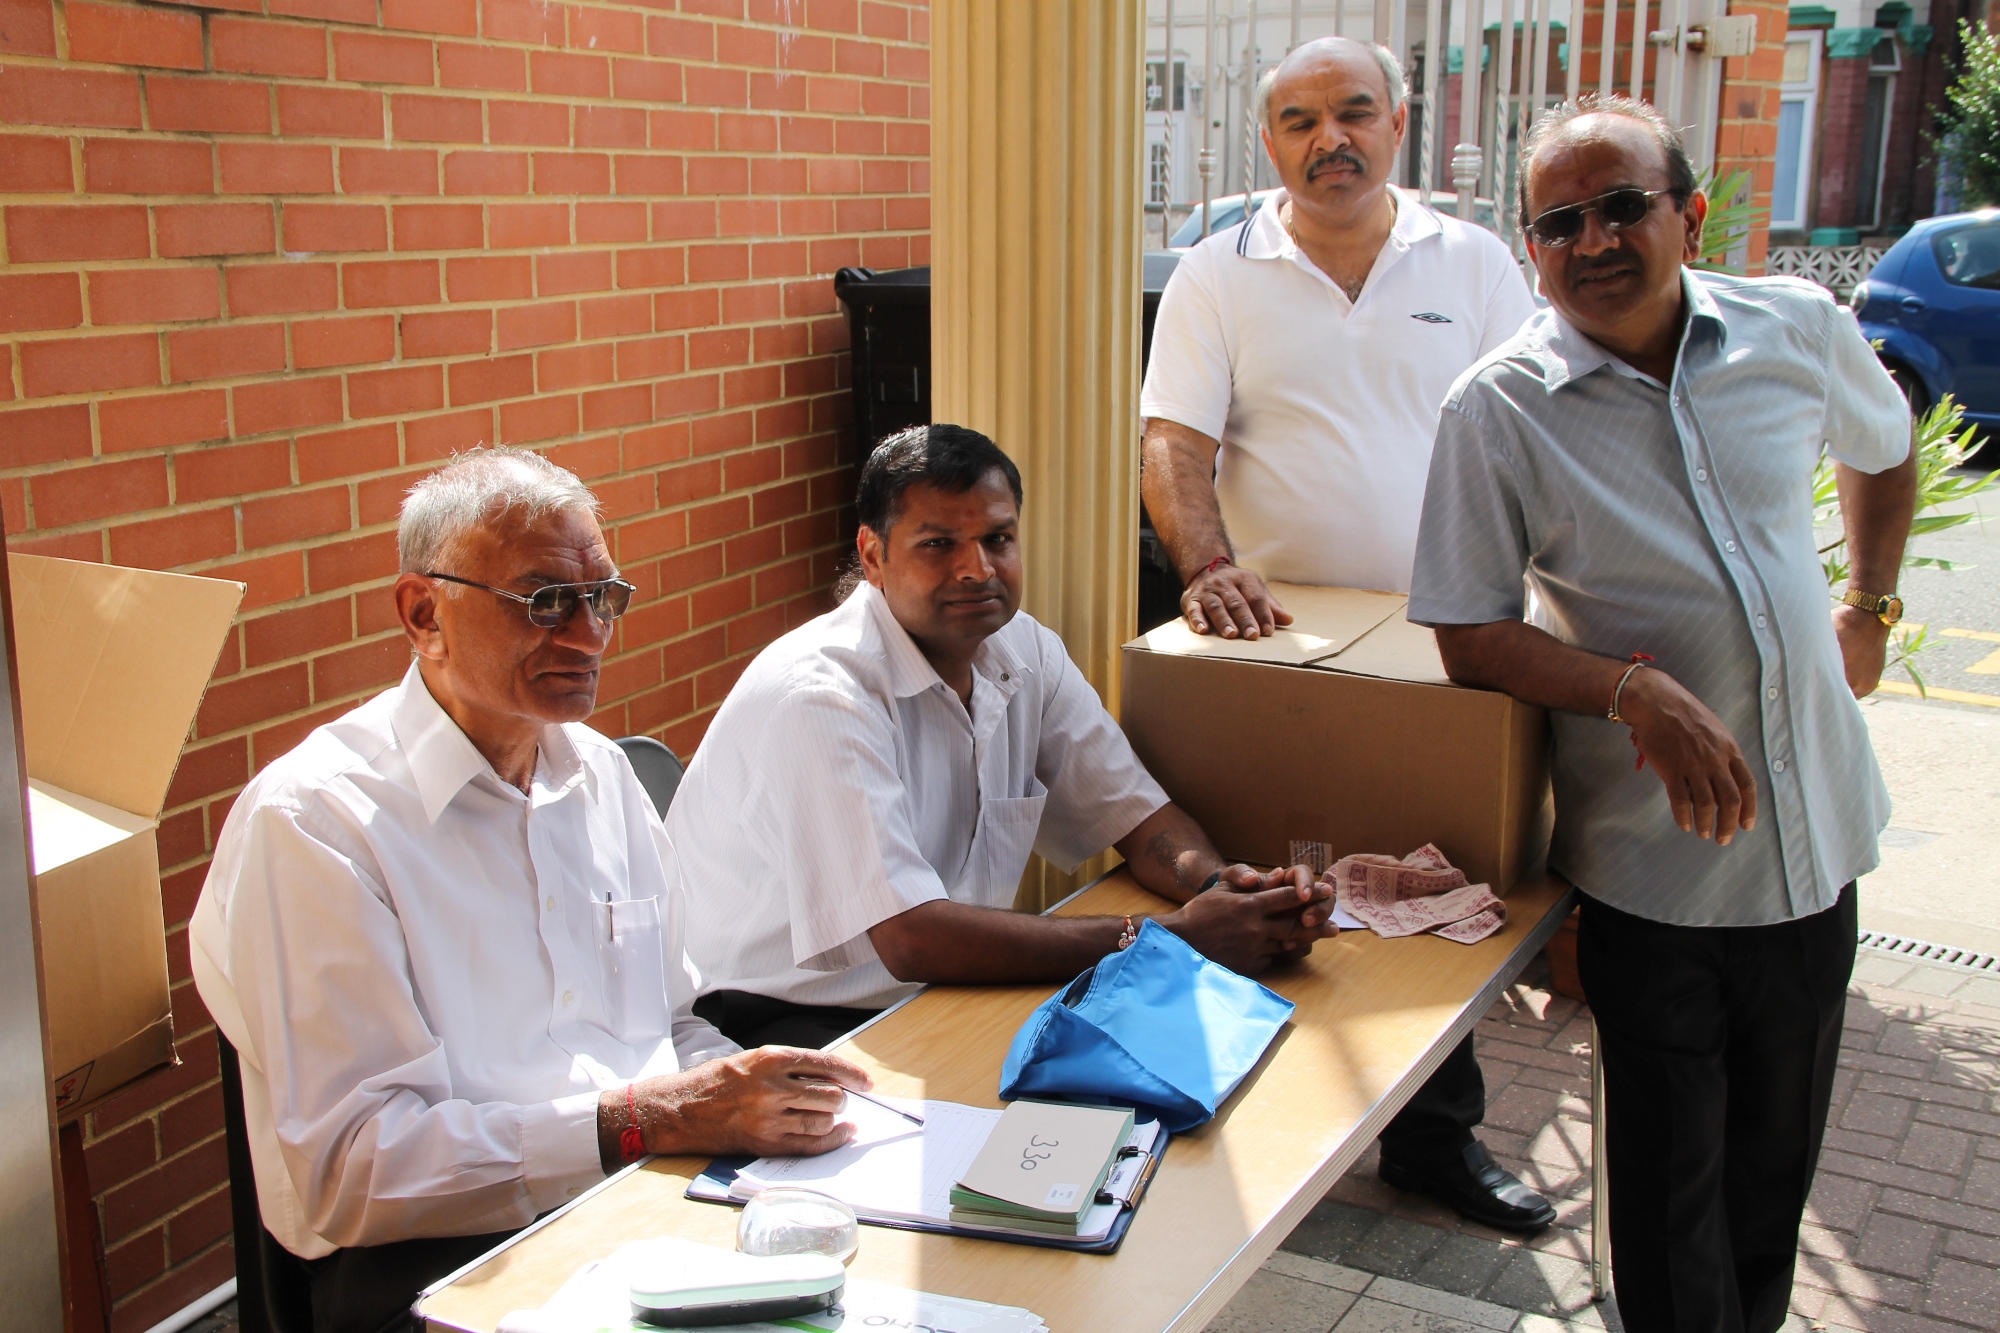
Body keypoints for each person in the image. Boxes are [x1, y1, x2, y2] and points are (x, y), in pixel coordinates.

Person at [1409, 96, 1914, 1333]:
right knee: (1665, 1190)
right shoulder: (1496, 409)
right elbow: (1467, 631)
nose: (1592, 240)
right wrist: (1629, 688)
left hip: (1813, 849)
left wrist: (1870, 604)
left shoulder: (1792, 329)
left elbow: (1885, 443)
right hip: (1652, 873)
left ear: (1687, 213)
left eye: (1621, 204)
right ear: (1530, 249)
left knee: (1768, 1174)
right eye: (1557, 221)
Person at [190, 450, 873, 1333]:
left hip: (643, 1195)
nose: (587, 634)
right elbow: (354, 1172)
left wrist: (771, 1098)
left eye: (604, 599)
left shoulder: (602, 775)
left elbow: (668, 1025)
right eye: (544, 601)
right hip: (438, 1262)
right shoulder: (318, 822)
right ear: (423, 611)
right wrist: (652, 1119)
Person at [1139, 35, 1551, 1233]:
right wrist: (1205, 564)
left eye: (1354, 112)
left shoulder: (1469, 262)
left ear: (1399, 120)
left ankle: (1434, 1139)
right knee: (1276, 871)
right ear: (1266, 141)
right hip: (1277, 650)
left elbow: (1533, 429)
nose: (1331, 140)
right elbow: (1174, 439)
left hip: (1448, 640)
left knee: (1444, 883)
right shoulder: (1220, 271)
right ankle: (1259, 1125)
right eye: (1300, 121)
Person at [671, 423, 1338, 1050]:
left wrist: (1225, 889)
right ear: (873, 555)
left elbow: (1140, 818)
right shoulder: (820, 695)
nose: (978, 569)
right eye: (938, 544)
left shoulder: (1025, 652)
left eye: (998, 539)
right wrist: (1172, 939)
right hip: (776, 1020)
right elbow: (911, 937)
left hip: (936, 994)